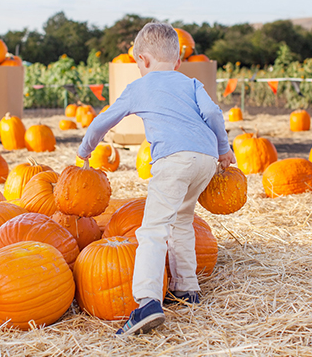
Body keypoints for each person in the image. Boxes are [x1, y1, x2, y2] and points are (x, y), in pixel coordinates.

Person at [77, 22, 235, 336]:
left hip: (173, 159)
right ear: (177, 61)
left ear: (143, 61)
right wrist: (223, 148)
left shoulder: (140, 86)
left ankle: (146, 302)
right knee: (182, 221)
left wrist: (85, 149)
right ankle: (187, 288)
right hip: (204, 159)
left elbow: (104, 121)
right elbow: (214, 114)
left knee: (152, 230)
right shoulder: (191, 83)